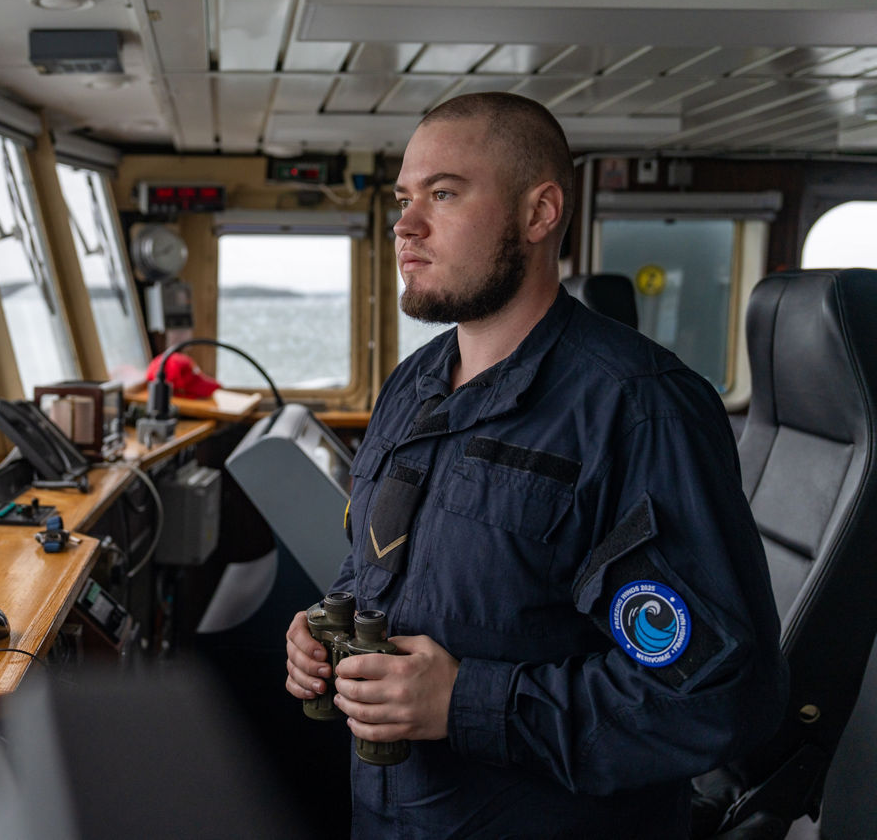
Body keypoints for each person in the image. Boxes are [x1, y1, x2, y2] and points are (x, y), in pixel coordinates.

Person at [284, 92, 788, 838]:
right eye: (404, 198)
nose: (405, 225)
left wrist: (465, 702)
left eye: (444, 194)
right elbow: (377, 569)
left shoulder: (639, 409)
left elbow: (717, 694)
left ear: (539, 212)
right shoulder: (411, 385)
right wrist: (325, 630)